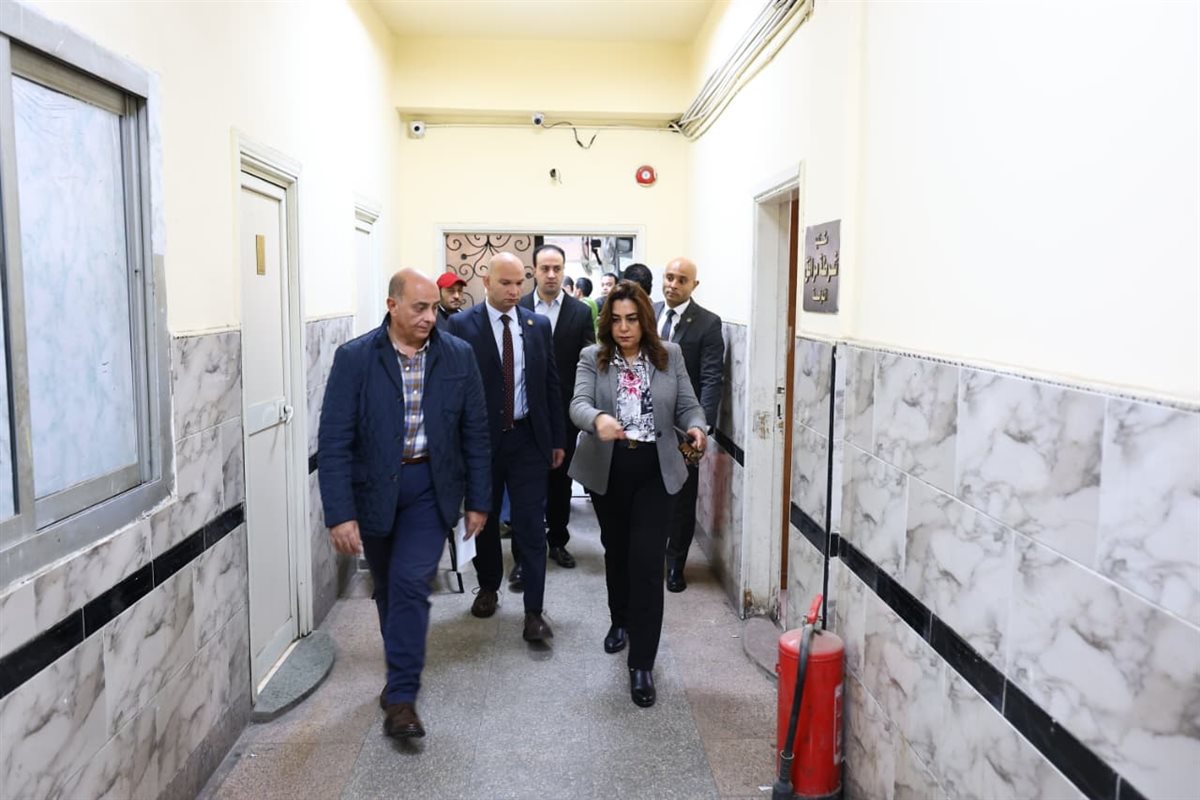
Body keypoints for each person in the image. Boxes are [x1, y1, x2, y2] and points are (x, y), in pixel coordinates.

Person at [318, 269, 490, 739]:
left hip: (430, 487)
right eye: (420, 307)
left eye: (434, 308)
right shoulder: (355, 358)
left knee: (412, 582)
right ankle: (399, 675)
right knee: (390, 590)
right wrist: (340, 513)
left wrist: (479, 499)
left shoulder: (457, 355)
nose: (430, 317)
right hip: (374, 489)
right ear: (392, 305)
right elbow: (334, 440)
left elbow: (475, 432)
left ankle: (401, 698)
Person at [568, 280, 707, 708]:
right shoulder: (593, 357)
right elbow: (578, 404)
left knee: (647, 562)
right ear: (607, 323)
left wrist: (697, 426)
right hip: (609, 470)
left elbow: (688, 405)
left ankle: (642, 662)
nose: (624, 328)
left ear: (645, 319)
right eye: (616, 320)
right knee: (617, 552)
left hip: (655, 471)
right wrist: (598, 419)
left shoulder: (669, 355)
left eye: (631, 319)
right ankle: (620, 620)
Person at [445, 252, 564, 642]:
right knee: (485, 517)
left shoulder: (537, 325)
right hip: (481, 442)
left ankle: (534, 612)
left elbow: (550, 385)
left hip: (528, 439)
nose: (515, 291)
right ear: (486, 281)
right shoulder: (462, 326)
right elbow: (451, 390)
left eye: (519, 283)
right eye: (506, 283)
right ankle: (489, 587)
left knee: (531, 524)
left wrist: (556, 439)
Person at [516, 244, 595, 572]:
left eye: (557, 268)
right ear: (533, 271)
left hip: (563, 411)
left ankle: (558, 542)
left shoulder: (579, 312)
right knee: (525, 485)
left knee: (561, 482)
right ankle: (523, 553)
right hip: (524, 413)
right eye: (545, 268)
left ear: (563, 271)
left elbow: (588, 359)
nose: (551, 274)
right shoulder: (518, 307)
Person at [654, 257, 724, 593]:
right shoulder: (648, 312)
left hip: (684, 427)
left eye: (681, 279)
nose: (673, 284)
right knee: (648, 495)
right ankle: (650, 557)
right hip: (646, 422)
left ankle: (675, 565)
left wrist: (702, 425)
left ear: (694, 285)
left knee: (682, 498)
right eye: (669, 277)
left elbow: (711, 376)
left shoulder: (708, 323)